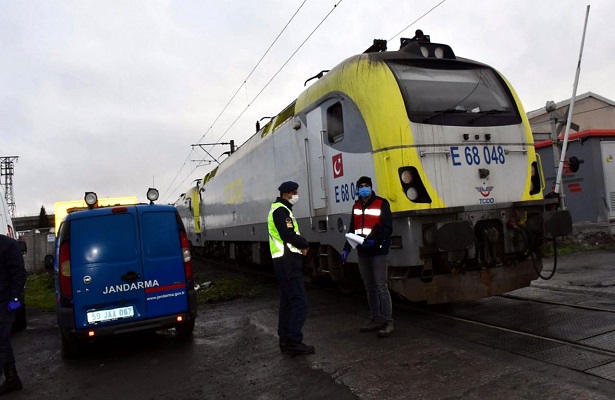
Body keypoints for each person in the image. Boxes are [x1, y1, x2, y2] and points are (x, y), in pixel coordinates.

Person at [341, 176, 394, 338]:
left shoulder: (381, 203)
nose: (364, 188)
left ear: (371, 187)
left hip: (378, 252)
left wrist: (376, 241)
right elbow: (352, 229)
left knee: (381, 287)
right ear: (357, 190)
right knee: (370, 287)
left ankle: (388, 322)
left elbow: (388, 228)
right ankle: (375, 319)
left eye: (366, 186)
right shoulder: (356, 206)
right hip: (362, 252)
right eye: (361, 186)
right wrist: (346, 249)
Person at [267, 181, 314, 356]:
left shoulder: (279, 209)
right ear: (286, 194)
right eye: (294, 192)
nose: (296, 196)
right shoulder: (281, 211)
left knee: (287, 303)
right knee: (300, 302)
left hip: (283, 262)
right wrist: (304, 244)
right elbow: (287, 234)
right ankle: (294, 340)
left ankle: (285, 340)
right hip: (288, 263)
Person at [0, 234, 26, 394]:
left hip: (5, 302)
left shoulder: (8, 245)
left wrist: (15, 298)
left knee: (1, 340)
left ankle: (11, 379)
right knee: (2, 341)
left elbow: (19, 274)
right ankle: (12, 379)